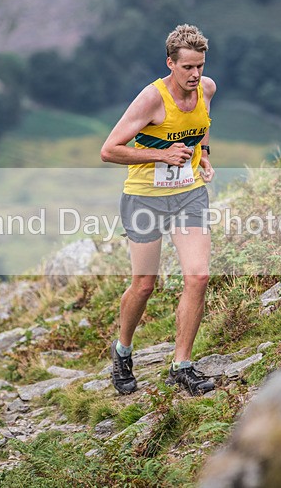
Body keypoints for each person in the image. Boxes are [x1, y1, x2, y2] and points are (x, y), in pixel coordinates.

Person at [100, 24, 216, 396]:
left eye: (199, 66)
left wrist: (204, 156)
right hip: (144, 198)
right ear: (171, 63)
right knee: (145, 284)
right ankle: (123, 350)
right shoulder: (151, 99)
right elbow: (110, 150)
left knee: (198, 277)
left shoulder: (206, 90)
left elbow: (201, 127)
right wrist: (162, 154)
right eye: (187, 68)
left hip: (189, 195)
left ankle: (181, 365)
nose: (195, 75)